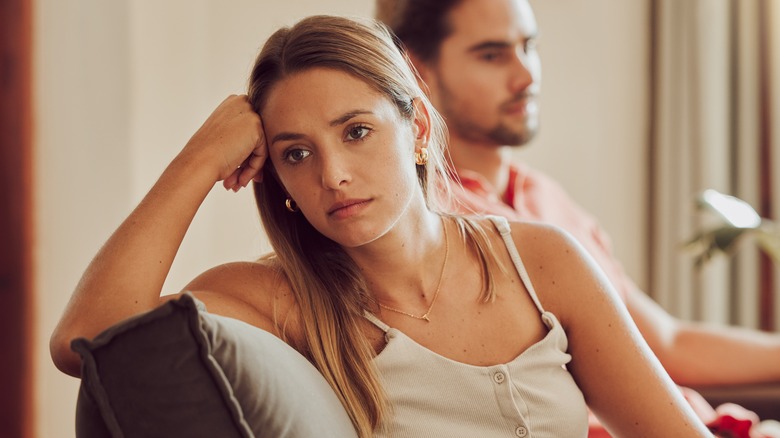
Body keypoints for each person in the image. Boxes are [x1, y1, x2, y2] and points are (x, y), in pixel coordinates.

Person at [50, 15, 710, 437]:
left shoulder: (539, 261)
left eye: (357, 132)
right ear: (273, 174)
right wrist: (199, 157)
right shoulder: (277, 298)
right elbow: (85, 339)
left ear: (417, 130)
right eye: (296, 153)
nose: (332, 174)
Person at [375, 0, 780, 435]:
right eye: (492, 55)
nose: (527, 75)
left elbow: (664, 342)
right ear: (416, 70)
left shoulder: (545, 197)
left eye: (528, 46)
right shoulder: (422, 224)